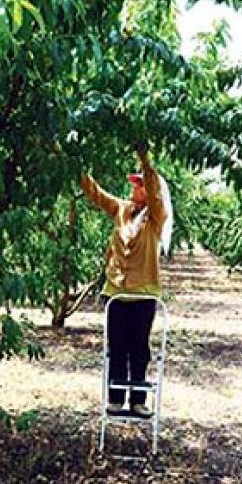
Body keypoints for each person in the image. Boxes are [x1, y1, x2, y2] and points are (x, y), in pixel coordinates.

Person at [80, 147, 171, 418]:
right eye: (135, 184)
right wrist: (75, 166)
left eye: (140, 184)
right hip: (117, 292)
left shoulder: (156, 217)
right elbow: (96, 193)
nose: (134, 187)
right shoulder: (121, 209)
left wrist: (145, 160)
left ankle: (138, 400)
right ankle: (116, 398)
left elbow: (155, 193)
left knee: (139, 349)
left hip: (144, 294)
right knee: (116, 347)